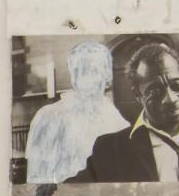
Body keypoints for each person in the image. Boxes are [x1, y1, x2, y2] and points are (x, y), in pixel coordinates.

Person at [69, 41, 179, 183]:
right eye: (155, 91)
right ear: (138, 95)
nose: (170, 99)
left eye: (177, 85)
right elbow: (72, 193)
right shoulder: (110, 148)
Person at [24, 40, 128, 184]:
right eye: (79, 71)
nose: (86, 79)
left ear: (107, 75)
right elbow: (37, 179)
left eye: (93, 71)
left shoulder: (114, 118)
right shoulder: (50, 116)